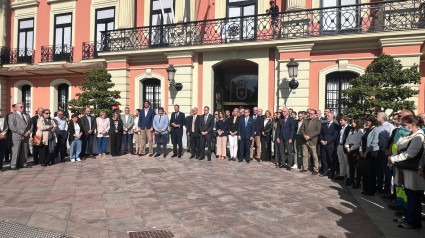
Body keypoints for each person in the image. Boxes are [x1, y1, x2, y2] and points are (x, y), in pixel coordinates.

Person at [389, 115, 425, 229]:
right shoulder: (410, 135)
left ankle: (414, 222)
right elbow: (399, 146)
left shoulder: (419, 136)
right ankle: (408, 217)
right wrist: (393, 158)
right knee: (409, 195)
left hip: (413, 171)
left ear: (413, 124)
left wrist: (393, 159)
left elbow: (411, 153)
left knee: (414, 197)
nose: (403, 127)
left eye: (405, 125)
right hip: (406, 169)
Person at [359, 115, 380, 196]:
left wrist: (367, 152)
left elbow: (374, 142)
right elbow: (362, 141)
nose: (367, 122)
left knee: (371, 172)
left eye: (368, 121)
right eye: (366, 121)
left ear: (372, 121)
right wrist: (361, 150)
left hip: (372, 152)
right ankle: (365, 188)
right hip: (364, 152)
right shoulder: (365, 130)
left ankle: (371, 190)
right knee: (365, 171)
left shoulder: (376, 130)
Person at [8, 103, 33, 170]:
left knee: (24, 151)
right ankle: (13, 165)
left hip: (26, 136)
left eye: (23, 107)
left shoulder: (27, 115)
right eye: (21, 107)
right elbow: (12, 127)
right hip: (17, 136)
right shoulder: (12, 116)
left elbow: (31, 125)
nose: (23, 108)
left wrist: (29, 131)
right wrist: (22, 132)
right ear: (16, 108)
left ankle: (23, 163)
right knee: (15, 151)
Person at [376, 112, 395, 194]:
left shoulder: (390, 126)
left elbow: (391, 140)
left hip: (385, 151)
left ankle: (387, 188)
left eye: (377, 116)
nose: (376, 117)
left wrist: (388, 151)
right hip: (378, 150)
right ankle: (379, 185)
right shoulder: (379, 126)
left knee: (386, 171)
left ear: (382, 118)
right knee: (379, 169)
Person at [300, 109, 322, 175]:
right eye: (309, 113)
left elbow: (318, 131)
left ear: (315, 115)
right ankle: (305, 167)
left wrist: (309, 136)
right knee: (305, 155)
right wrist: (304, 135)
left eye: (311, 114)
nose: (309, 115)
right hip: (304, 140)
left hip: (313, 140)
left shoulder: (318, 121)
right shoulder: (305, 120)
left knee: (314, 156)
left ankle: (316, 169)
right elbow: (301, 129)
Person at [319, 112, 340, 178]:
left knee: (332, 160)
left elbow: (335, 136)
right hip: (323, 145)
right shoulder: (324, 125)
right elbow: (321, 134)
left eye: (328, 116)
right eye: (326, 116)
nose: (327, 117)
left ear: (332, 117)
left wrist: (327, 142)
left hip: (331, 145)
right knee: (324, 159)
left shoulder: (335, 125)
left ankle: (332, 173)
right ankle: (325, 172)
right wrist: (321, 140)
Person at [345, 119, 364, 187]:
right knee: (351, 166)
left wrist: (352, 149)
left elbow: (358, 142)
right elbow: (347, 139)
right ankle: (351, 179)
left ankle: (358, 182)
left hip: (355, 149)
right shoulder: (351, 130)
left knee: (357, 166)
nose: (352, 123)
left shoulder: (360, 131)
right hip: (349, 148)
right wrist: (347, 147)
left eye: (354, 122)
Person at [335, 116, 352, 181]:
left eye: (342, 120)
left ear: (346, 121)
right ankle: (342, 174)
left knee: (346, 161)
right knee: (341, 161)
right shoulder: (341, 128)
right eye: (340, 120)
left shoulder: (349, 128)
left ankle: (348, 176)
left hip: (345, 146)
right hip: (339, 145)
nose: (340, 121)